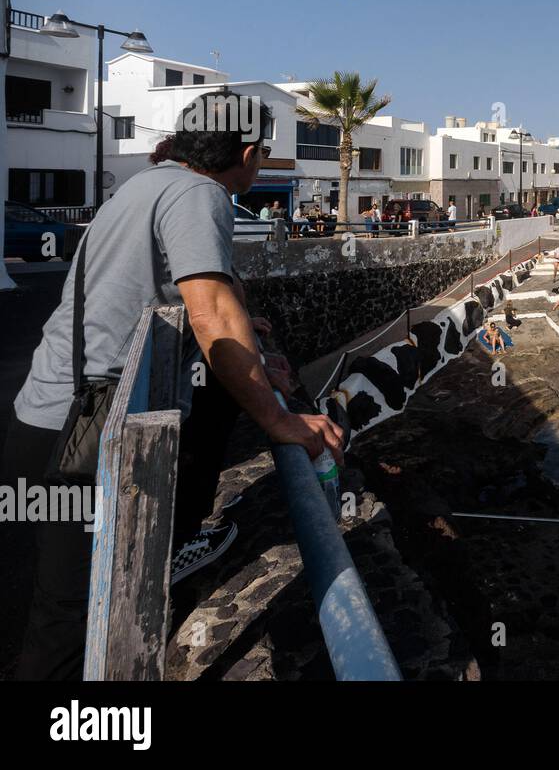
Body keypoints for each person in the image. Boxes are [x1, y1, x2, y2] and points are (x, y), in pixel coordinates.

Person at [2, 90, 343, 681]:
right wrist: (281, 420)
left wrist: (252, 339)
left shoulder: (148, 183)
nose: (259, 166)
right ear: (246, 151)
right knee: (69, 614)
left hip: (52, 418)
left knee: (82, 595)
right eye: (261, 155)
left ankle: (171, 547)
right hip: (75, 435)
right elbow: (210, 311)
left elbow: (193, 291)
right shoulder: (199, 194)